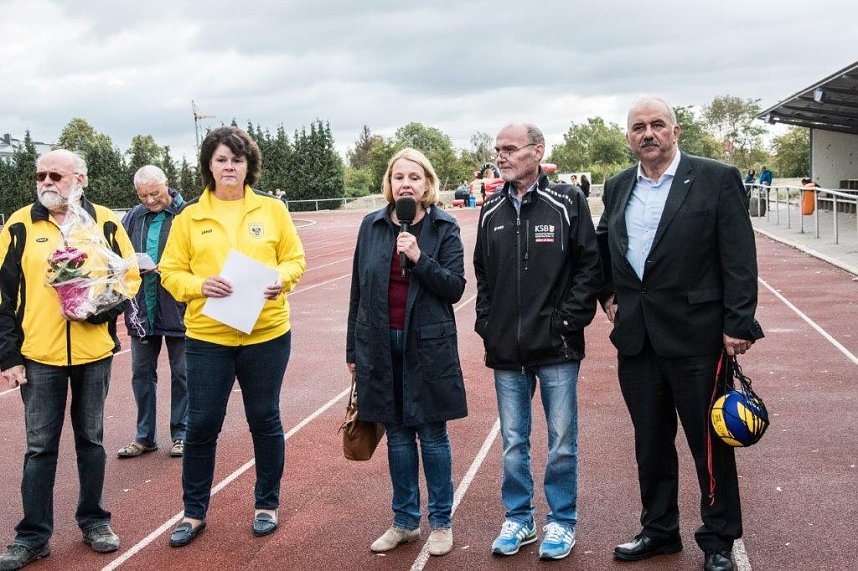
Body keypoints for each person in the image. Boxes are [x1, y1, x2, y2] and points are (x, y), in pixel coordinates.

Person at [596, 97, 764, 571]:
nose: (647, 133)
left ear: (675, 130)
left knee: (708, 443)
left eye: (656, 125)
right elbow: (604, 244)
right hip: (637, 338)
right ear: (628, 137)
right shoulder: (617, 185)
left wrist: (737, 322)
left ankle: (717, 539)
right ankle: (659, 529)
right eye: (637, 127)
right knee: (649, 441)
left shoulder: (715, 178)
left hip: (698, 336)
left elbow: (738, 255)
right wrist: (608, 296)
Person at [159, 127, 306, 547]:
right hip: (208, 337)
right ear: (209, 164)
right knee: (202, 423)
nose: (230, 167)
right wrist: (200, 285)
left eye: (237, 160)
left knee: (265, 418)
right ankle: (193, 511)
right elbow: (171, 271)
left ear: (248, 166)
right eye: (222, 159)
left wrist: (282, 279)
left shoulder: (272, 210)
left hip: (266, 334)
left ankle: (267, 504)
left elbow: (294, 259)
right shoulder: (189, 217)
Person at [0, 149, 141, 569]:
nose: (46, 181)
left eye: (56, 175)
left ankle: (94, 520)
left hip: (92, 353)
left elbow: (128, 277)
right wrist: (8, 355)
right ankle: (33, 535)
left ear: (79, 179)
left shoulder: (104, 223)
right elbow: (3, 296)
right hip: (38, 356)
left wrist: (96, 309)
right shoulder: (19, 224)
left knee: (91, 440)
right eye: (41, 174)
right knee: (39, 446)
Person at [473, 124, 602, 560]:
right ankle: (520, 517)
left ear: (537, 151)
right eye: (497, 149)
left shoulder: (567, 201)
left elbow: (589, 266)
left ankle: (561, 521)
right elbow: (483, 275)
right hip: (506, 350)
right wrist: (487, 324)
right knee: (513, 439)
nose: (501, 156)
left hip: (557, 347)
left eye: (510, 148)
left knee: (562, 438)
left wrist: (567, 322)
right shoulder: (490, 209)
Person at [347, 148, 467, 558]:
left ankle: (441, 523)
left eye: (414, 177)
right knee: (397, 436)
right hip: (380, 344)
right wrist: (353, 350)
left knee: (432, 435)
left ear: (428, 183)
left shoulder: (444, 227)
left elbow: (454, 287)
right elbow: (357, 292)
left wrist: (418, 258)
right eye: (399, 177)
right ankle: (403, 521)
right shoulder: (373, 225)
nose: (406, 184)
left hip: (427, 344)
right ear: (389, 183)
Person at [117, 165, 188, 460]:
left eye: (155, 193)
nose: (149, 200)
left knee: (183, 374)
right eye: (143, 195)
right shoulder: (133, 216)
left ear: (167, 185)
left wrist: (171, 268)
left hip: (179, 308)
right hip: (141, 311)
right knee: (141, 374)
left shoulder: (187, 215)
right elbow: (116, 253)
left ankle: (182, 434)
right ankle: (144, 436)